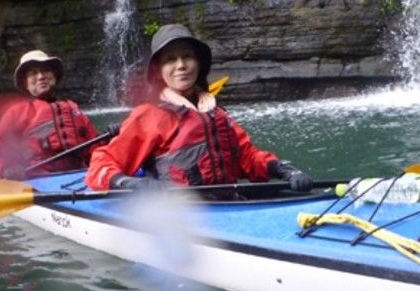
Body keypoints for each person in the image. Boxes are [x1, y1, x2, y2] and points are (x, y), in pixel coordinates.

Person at [86, 24, 313, 197]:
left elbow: (248, 158)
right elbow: (101, 163)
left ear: (198, 63)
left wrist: (283, 168)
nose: (181, 65)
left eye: (187, 56)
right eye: (170, 60)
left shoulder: (216, 113)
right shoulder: (150, 116)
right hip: (178, 217)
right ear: (157, 72)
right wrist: (128, 182)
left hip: (229, 206)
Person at [0, 50, 117, 179]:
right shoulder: (16, 113)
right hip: (37, 179)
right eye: (33, 73)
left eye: (45, 70)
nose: (41, 76)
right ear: (25, 83)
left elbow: (95, 150)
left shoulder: (74, 110)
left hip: (77, 177)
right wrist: (5, 169)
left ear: (54, 76)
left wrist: (110, 139)